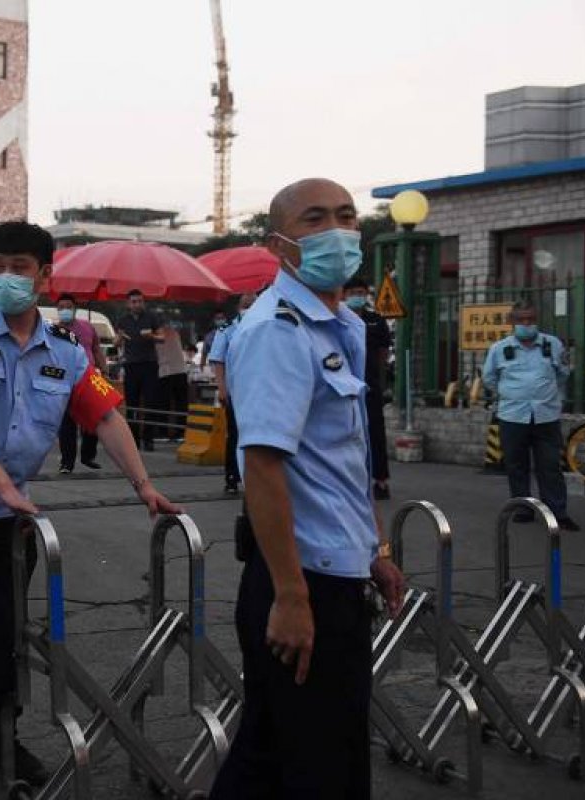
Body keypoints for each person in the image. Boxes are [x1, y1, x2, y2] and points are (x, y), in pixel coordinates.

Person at [0, 222, 181, 796]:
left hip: (2, 523)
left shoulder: (68, 352)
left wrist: (144, 485)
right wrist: (2, 485)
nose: (6, 277)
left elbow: (106, 416)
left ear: (45, 275)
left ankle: (1, 738)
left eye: (19, 267)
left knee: (4, 639)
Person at [210, 179, 406, 800]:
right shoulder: (279, 330)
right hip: (301, 579)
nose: (336, 231)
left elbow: (343, 459)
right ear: (279, 245)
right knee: (319, 767)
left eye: (346, 217)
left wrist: (375, 549)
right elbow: (263, 468)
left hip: (334, 571)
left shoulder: (341, 325)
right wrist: (292, 597)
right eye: (314, 219)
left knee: (272, 757)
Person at [482, 301, 579, 531]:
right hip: (512, 417)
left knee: (550, 466)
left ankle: (557, 512)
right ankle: (524, 508)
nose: (526, 324)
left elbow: (563, 373)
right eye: (521, 319)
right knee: (517, 466)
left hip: (546, 416)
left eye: (531, 319)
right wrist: (512, 393)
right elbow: (489, 379)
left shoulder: (552, 344)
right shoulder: (499, 349)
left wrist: (544, 393)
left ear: (537, 320)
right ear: (512, 322)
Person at [343, 276, 393, 499]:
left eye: (361, 293)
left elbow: (383, 352)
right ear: (344, 295)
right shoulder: (337, 319)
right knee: (347, 433)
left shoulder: (375, 321)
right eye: (353, 293)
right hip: (344, 386)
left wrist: (377, 377)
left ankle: (380, 481)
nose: (357, 296)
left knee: (375, 433)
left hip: (370, 385)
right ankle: (351, 480)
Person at [208, 292, 257, 495]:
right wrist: (222, 389)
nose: (250, 301)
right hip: (235, 392)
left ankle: (254, 477)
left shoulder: (263, 325)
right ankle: (232, 477)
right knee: (235, 434)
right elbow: (218, 360)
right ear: (239, 306)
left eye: (253, 299)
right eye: (246, 300)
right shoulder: (227, 329)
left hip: (257, 390)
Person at [55, 293, 107, 472]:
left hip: (89, 377)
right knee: (67, 423)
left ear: (75, 308)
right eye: (61, 308)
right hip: (65, 380)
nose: (65, 310)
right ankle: (67, 462)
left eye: (68, 307)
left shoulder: (87, 327)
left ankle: (88, 456)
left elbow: (96, 349)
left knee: (93, 418)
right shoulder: (53, 330)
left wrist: (104, 370)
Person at [115, 289, 165, 451]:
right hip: (131, 365)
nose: (137, 304)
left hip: (149, 364)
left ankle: (148, 439)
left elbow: (162, 337)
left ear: (144, 302)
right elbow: (116, 343)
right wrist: (120, 337)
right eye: (134, 301)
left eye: (140, 301)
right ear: (128, 304)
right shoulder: (123, 320)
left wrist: (152, 337)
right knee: (132, 403)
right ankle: (134, 439)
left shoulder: (152, 317)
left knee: (150, 402)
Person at [156, 321, 189, 442]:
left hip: (165, 371)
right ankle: (181, 433)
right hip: (180, 370)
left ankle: (163, 433)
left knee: (164, 404)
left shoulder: (155, 334)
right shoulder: (174, 332)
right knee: (181, 404)